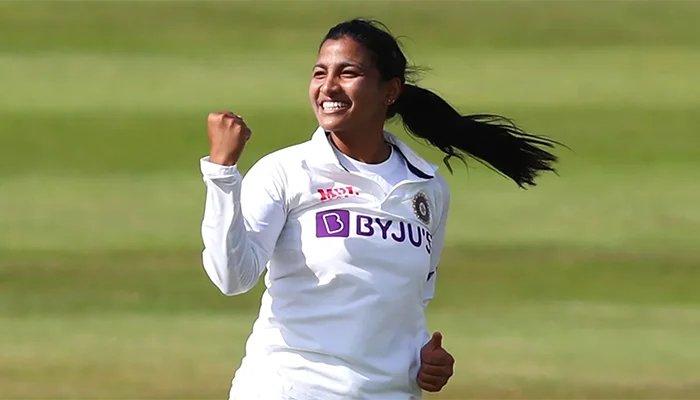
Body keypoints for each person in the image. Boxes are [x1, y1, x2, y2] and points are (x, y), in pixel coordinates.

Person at [199, 18, 560, 400]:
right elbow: (231, 278)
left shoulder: (427, 186)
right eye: (319, 73)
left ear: (390, 91)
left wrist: (424, 358)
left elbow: (408, 299)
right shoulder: (287, 171)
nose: (328, 87)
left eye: (348, 72)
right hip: (291, 388)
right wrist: (222, 173)